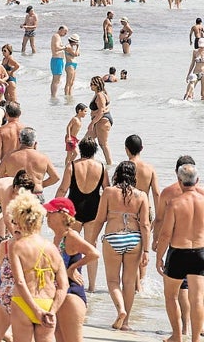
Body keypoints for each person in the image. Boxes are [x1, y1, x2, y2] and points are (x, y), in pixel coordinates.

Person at [89, 161, 150, 331]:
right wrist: (146, 250)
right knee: (129, 282)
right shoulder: (142, 195)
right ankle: (126, 322)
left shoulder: (108, 192)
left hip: (113, 237)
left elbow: (100, 219)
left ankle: (120, 309)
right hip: (134, 239)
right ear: (133, 177)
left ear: (117, 174)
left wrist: (92, 241)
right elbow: (145, 224)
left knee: (113, 280)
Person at [153, 156, 203, 341]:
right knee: (197, 298)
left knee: (171, 296)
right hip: (200, 252)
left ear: (180, 181)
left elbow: (165, 234)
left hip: (178, 253)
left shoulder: (175, 203)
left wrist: (159, 256)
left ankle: (177, 335)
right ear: (197, 180)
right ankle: (196, 338)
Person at [7, 190, 68, 342]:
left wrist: (35, 310)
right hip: (48, 303)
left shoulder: (17, 246)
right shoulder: (52, 248)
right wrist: (53, 311)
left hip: (23, 302)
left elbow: (20, 282)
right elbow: (63, 285)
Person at [56, 137, 108, 292]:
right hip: (94, 210)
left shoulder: (72, 166)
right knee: (91, 247)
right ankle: (91, 287)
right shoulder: (102, 167)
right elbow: (107, 190)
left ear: (80, 149)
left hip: (74, 210)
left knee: (69, 246)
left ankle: (68, 280)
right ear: (95, 151)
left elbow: (63, 189)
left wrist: (55, 208)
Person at [44, 198, 100, 342]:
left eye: (50, 212)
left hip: (71, 296)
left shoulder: (70, 235)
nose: (46, 216)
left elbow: (94, 253)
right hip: (59, 296)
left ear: (63, 215)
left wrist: (72, 268)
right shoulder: (57, 237)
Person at [0, 127, 60, 203]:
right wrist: (40, 184)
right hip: (36, 194)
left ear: (19, 141)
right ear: (35, 143)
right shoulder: (43, 157)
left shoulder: (9, 157)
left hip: (17, 195)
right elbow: (55, 177)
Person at [0, 101, 25, 179]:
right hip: (22, 169)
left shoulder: (1, 131)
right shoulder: (26, 130)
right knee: (21, 191)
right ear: (20, 114)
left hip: (7, 168)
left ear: (6, 114)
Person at [86, 76, 113, 165]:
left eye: (92, 84)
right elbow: (105, 107)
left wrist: (92, 123)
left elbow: (101, 111)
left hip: (102, 121)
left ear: (97, 85)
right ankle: (89, 161)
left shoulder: (100, 95)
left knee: (103, 144)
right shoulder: (102, 93)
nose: (90, 86)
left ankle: (109, 165)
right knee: (87, 141)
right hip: (100, 120)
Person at [50, 26, 68, 98]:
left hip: (57, 60)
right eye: (65, 31)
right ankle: (54, 96)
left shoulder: (56, 36)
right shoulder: (56, 36)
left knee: (56, 79)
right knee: (56, 79)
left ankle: (53, 95)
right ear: (60, 30)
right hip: (57, 59)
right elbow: (57, 47)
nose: (66, 34)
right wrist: (65, 47)